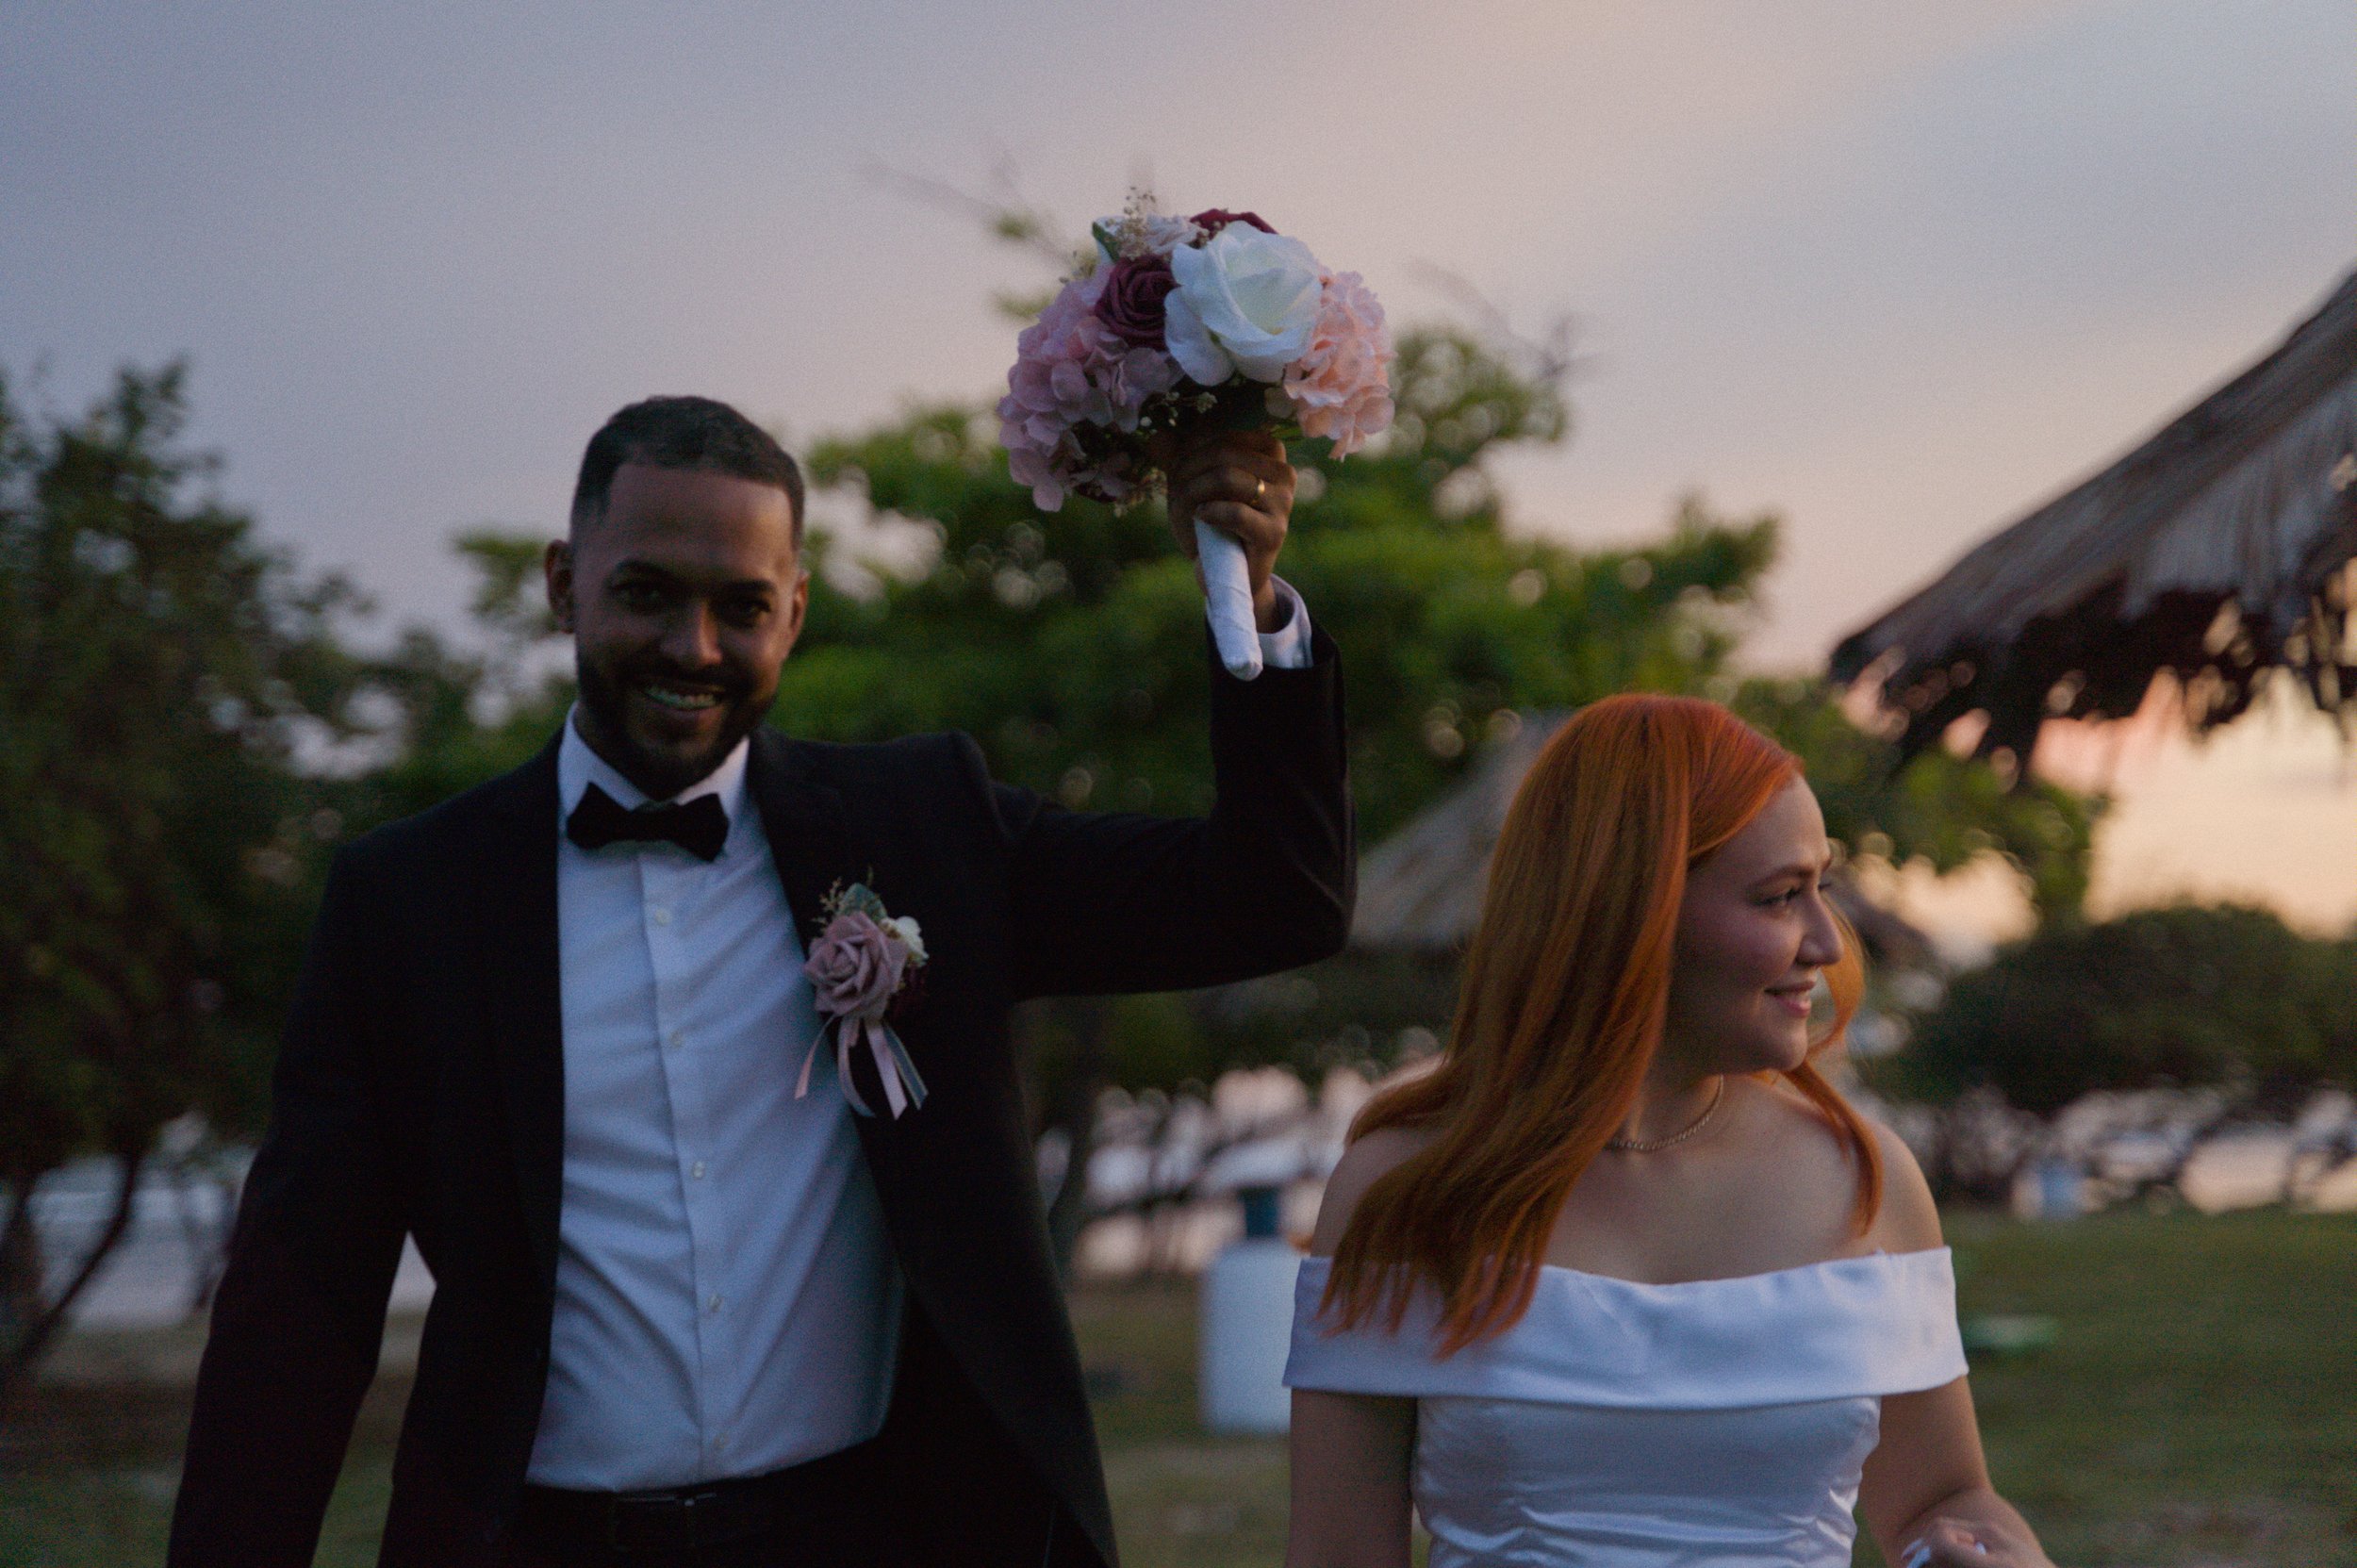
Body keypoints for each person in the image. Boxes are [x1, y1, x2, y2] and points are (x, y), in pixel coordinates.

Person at [170, 395, 1354, 1568]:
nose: (692, 648)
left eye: (740, 607)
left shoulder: (926, 830)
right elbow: (299, 1314)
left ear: (793, 614)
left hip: (870, 1533)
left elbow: (1273, 898)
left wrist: (1243, 602)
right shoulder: (405, 900)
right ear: (560, 583)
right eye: (646, 592)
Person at [1282, 695, 2053, 1568]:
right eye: (1779, 898)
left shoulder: (1864, 1177)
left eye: (1821, 888)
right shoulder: (1402, 1188)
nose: (1827, 943)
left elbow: (1946, 1498)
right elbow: (1337, 1553)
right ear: (1631, 913)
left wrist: (1991, 1557)